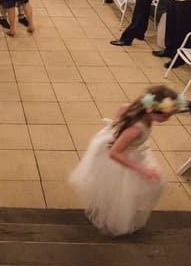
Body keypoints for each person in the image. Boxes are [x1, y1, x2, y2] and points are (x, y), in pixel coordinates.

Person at [69, 85, 184, 236]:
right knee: (120, 192)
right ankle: (112, 216)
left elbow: (116, 125)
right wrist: (142, 170)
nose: (167, 119)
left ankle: (109, 206)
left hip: (123, 147)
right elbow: (115, 153)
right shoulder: (136, 129)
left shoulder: (128, 108)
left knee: (119, 189)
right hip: (120, 156)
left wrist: (122, 138)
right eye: (165, 116)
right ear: (150, 110)